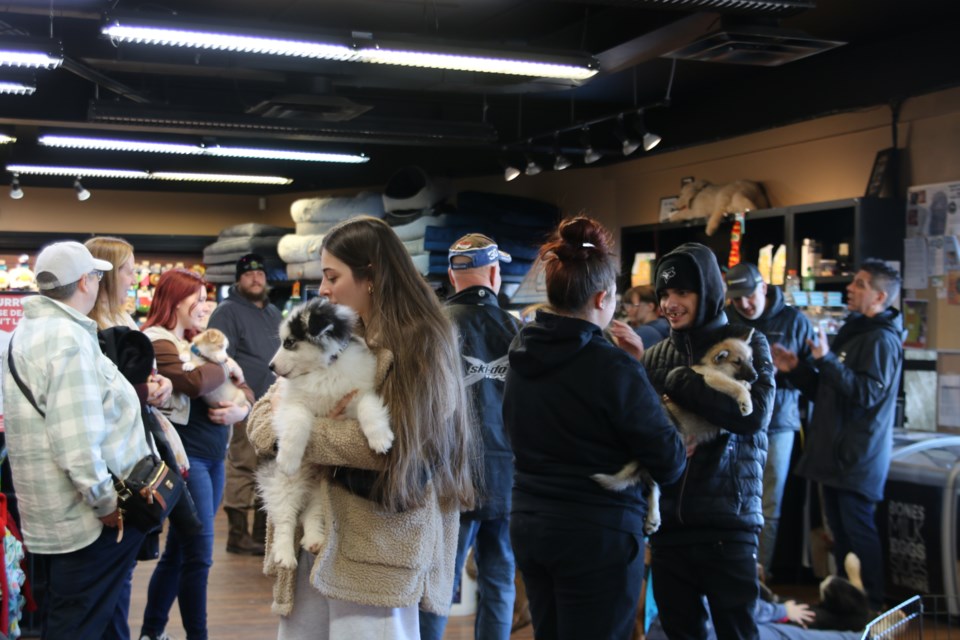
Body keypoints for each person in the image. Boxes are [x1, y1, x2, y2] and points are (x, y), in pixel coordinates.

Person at [246, 215, 476, 639]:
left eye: (332, 276)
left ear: (370, 275)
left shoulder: (421, 343)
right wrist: (286, 425)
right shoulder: (333, 332)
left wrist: (302, 433)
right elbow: (262, 417)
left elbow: (399, 448)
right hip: (315, 538)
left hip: (378, 549)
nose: (324, 288)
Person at [502, 216, 687, 640]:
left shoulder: (521, 356)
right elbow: (669, 460)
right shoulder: (614, 366)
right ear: (603, 298)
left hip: (530, 522)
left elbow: (511, 429)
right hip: (596, 532)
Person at [2, 241, 152, 639]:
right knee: (77, 625)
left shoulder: (31, 332)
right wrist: (106, 504)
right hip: (85, 521)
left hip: (55, 514)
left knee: (92, 617)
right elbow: (77, 440)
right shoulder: (68, 341)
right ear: (85, 282)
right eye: (98, 276)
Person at [636, 242, 775, 640]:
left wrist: (678, 382)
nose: (669, 304)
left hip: (728, 527)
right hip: (668, 533)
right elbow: (640, 431)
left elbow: (752, 415)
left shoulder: (746, 341)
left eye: (681, 292)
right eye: (664, 294)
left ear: (709, 292)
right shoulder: (655, 355)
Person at [771, 260, 904, 611]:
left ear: (879, 295)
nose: (850, 287)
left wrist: (827, 360)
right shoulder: (856, 332)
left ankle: (872, 611)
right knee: (842, 541)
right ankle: (849, 611)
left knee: (858, 538)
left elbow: (866, 395)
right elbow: (828, 392)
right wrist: (797, 369)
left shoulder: (882, 340)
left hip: (856, 458)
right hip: (833, 455)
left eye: (859, 284)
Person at [138, 269, 255, 640]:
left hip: (212, 454)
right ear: (173, 299)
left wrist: (243, 410)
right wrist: (222, 365)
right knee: (199, 555)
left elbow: (245, 387)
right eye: (197, 297)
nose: (205, 305)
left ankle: (151, 632)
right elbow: (192, 382)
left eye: (206, 297)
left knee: (180, 552)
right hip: (189, 460)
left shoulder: (195, 342)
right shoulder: (157, 341)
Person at [419, 233, 522, 640]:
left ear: (451, 274)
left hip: (447, 474)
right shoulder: (519, 330)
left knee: (438, 582)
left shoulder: (431, 328)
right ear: (495, 274)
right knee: (500, 579)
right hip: (508, 475)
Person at [725, 262, 816, 576]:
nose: (744, 304)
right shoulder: (727, 319)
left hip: (779, 424)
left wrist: (784, 374)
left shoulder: (795, 322)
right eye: (737, 299)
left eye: (749, 296)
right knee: (732, 497)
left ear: (763, 287)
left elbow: (813, 381)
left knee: (769, 504)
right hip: (734, 421)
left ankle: (758, 575)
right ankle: (733, 570)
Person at [207, 253, 282, 556]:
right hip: (243, 402)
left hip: (274, 403)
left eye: (260, 273)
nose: (255, 278)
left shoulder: (274, 312)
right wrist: (235, 400)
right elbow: (216, 357)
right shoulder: (227, 311)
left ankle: (261, 534)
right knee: (242, 465)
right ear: (238, 280)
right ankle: (237, 535)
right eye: (248, 274)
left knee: (270, 467)